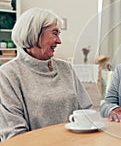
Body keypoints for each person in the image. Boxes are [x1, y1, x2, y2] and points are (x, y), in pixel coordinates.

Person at [0, 8, 93, 141]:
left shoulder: (66, 68)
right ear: (34, 33)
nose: (59, 41)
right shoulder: (8, 74)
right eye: (54, 33)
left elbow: (86, 111)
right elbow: (14, 135)